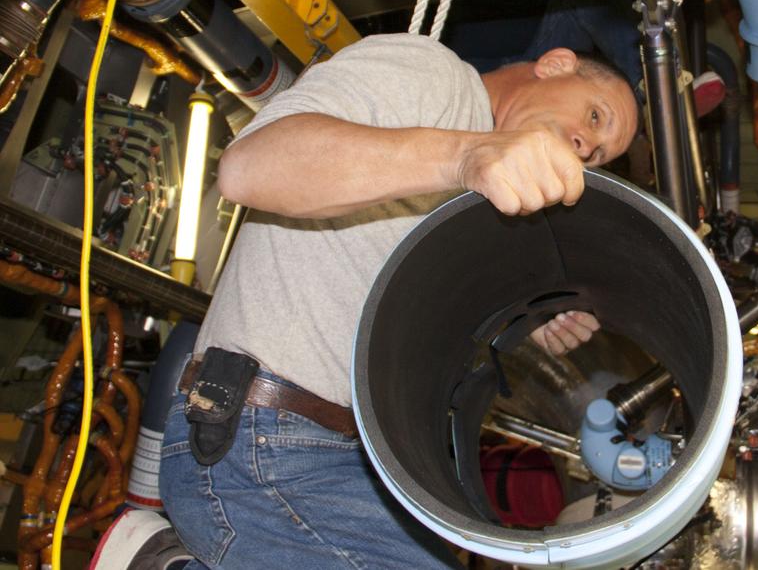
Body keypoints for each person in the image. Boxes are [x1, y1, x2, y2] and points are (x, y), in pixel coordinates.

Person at [138, 33, 638, 570]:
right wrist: (465, 154)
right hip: (271, 438)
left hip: (365, 465)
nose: (588, 147)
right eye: (594, 117)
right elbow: (250, 167)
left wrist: (521, 321)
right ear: (555, 64)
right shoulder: (435, 76)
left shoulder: (480, 208)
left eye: (602, 153)